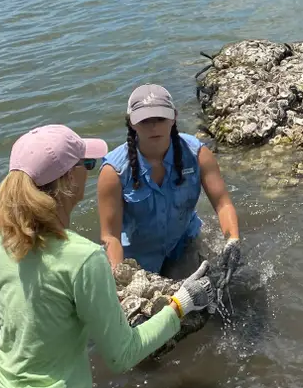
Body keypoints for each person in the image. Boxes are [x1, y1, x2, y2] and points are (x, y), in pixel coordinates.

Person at [0, 124, 215, 388]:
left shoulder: (4, 239)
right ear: (70, 177)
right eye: (88, 164)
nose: (91, 171)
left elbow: (6, 313)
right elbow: (123, 355)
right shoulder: (84, 258)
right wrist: (181, 304)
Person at [97, 84, 241, 289]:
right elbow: (110, 235)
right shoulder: (114, 171)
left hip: (182, 244)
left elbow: (222, 204)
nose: (153, 126)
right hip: (137, 256)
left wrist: (232, 240)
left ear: (173, 117)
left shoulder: (198, 154)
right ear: (131, 123)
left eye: (160, 118)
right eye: (145, 120)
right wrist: (120, 281)